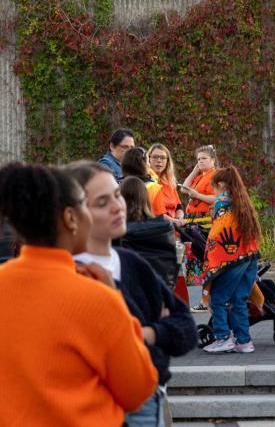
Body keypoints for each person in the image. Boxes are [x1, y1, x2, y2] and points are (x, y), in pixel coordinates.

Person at [0, 162, 157, 426]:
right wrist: (118, 303)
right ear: (70, 218)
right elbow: (137, 390)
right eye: (85, 204)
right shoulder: (97, 297)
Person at [65, 161, 198, 427]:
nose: (118, 206)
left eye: (117, 195)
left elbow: (187, 331)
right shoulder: (68, 272)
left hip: (151, 398)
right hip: (101, 406)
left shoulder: (131, 263)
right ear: (72, 216)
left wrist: (149, 333)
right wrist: (150, 329)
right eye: (102, 202)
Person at [200, 165, 262, 354]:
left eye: (213, 186)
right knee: (239, 299)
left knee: (218, 299)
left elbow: (218, 233)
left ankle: (223, 338)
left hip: (231, 258)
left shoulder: (222, 202)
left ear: (220, 184)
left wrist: (210, 257)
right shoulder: (242, 200)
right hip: (250, 256)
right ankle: (244, 341)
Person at [118, 176, 179, 288]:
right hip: (161, 291)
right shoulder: (165, 228)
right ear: (146, 198)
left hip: (131, 292)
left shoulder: (119, 232)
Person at [122, 147, 169, 218]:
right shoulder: (153, 187)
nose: (149, 165)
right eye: (148, 162)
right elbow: (161, 218)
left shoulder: (118, 185)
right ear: (142, 164)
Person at [181, 144, 218, 228]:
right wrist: (194, 172)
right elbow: (183, 189)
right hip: (191, 218)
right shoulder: (199, 177)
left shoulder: (216, 176)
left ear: (213, 160)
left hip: (205, 219)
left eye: (204, 158)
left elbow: (217, 199)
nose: (200, 161)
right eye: (199, 159)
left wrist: (197, 195)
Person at [148, 143, 185, 224]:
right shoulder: (147, 182)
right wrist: (175, 221)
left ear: (167, 161)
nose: (159, 160)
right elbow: (156, 214)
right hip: (158, 229)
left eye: (163, 158)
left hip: (174, 229)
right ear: (148, 159)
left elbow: (179, 207)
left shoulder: (169, 182)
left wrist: (180, 218)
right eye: (155, 157)